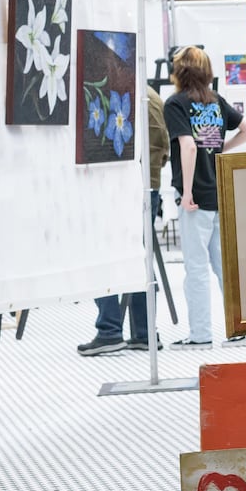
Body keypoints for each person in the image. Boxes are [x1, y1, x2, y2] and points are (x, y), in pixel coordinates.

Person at [163, 46, 246, 347]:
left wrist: (186, 193)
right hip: (218, 195)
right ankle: (239, 327)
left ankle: (200, 334)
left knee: (196, 268)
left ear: (179, 72)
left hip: (196, 198)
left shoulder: (175, 104)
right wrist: (220, 151)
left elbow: (188, 147)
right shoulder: (216, 102)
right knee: (223, 266)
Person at [78, 85, 170, 355]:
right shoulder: (152, 97)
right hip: (147, 186)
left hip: (120, 187)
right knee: (141, 256)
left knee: (105, 253)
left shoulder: (124, 94)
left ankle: (109, 330)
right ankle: (143, 332)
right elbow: (164, 149)